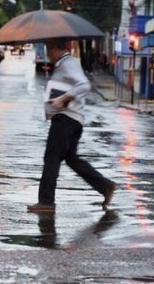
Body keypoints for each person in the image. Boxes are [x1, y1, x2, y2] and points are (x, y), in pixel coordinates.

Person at [27, 40, 117, 213]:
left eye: (48, 50)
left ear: (54, 49)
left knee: (51, 158)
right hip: (72, 120)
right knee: (71, 159)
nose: (48, 54)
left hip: (66, 119)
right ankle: (105, 186)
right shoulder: (63, 65)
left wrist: (63, 98)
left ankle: (46, 202)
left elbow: (84, 84)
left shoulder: (68, 63)